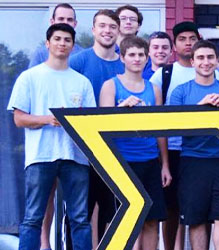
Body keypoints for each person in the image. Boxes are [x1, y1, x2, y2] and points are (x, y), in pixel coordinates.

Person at [8, 23, 94, 250]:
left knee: (80, 220)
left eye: (67, 40)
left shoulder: (82, 82)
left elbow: (91, 122)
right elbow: (19, 119)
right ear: (47, 43)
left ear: (73, 45)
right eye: (57, 39)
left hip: (75, 157)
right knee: (33, 217)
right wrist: (49, 119)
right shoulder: (29, 77)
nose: (62, 43)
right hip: (40, 156)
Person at [149, 21, 219, 250]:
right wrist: (163, 161)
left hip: (202, 150)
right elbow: (157, 117)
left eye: (192, 38)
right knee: (171, 207)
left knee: (197, 206)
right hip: (172, 148)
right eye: (182, 39)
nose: (188, 43)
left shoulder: (214, 72)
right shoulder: (165, 73)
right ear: (175, 45)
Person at [168, 40, 219, 250]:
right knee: (196, 219)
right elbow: (174, 128)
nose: (205, 62)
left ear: (217, 60)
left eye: (210, 57)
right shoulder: (181, 92)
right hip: (192, 161)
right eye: (200, 58)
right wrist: (199, 108)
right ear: (192, 62)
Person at [97, 36, 169, 250]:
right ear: (122, 58)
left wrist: (164, 164)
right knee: (121, 219)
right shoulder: (111, 85)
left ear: (147, 58)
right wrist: (121, 109)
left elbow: (161, 128)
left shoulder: (153, 89)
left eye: (141, 55)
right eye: (132, 55)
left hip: (149, 160)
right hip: (120, 163)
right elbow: (100, 125)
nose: (137, 59)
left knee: (151, 219)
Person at [68, 9, 124, 244]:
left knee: (112, 214)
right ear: (93, 30)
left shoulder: (125, 63)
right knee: (81, 212)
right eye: (102, 26)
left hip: (117, 149)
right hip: (82, 149)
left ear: (118, 31)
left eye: (112, 26)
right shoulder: (79, 61)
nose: (107, 31)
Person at [28, 3, 83, 68]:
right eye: (61, 19)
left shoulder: (82, 56)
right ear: (52, 22)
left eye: (69, 20)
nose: (65, 22)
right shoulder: (40, 54)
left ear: (75, 24)